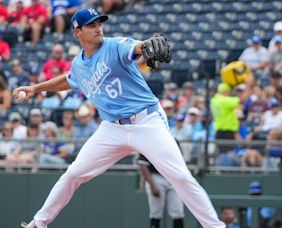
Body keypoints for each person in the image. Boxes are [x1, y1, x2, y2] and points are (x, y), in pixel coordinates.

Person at [16, 8, 225, 228]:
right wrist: (36, 88)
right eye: (92, 25)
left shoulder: (114, 45)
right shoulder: (79, 64)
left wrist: (144, 46)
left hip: (146, 121)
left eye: (99, 24)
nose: (98, 28)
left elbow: (135, 48)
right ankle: (39, 223)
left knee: (180, 177)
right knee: (74, 173)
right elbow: (69, 80)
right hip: (112, 128)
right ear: (77, 32)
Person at [138, 154, 184, 228]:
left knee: (178, 212)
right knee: (156, 213)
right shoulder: (149, 142)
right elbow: (143, 165)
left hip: (173, 177)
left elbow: (180, 163)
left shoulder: (174, 142)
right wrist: (152, 185)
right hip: (156, 177)